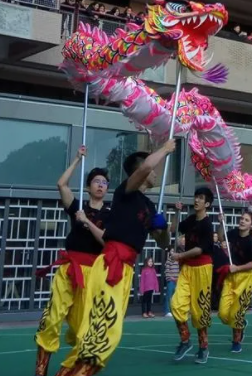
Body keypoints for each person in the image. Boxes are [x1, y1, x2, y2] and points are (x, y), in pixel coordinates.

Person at [66, 140, 175, 376]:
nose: (155, 173)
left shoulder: (148, 205)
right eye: (152, 169)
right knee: (104, 334)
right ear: (139, 172)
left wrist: (164, 227)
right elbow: (146, 168)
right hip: (110, 264)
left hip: (126, 269)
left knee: (102, 333)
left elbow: (164, 243)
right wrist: (165, 149)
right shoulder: (126, 192)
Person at [35, 146, 110, 376]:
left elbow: (107, 241)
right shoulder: (77, 206)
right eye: (96, 181)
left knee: (83, 330)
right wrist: (77, 159)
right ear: (88, 186)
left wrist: (86, 221)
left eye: (104, 182)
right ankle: (40, 370)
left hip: (93, 275)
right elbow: (61, 185)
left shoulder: (109, 213)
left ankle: (67, 372)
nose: (100, 185)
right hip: (69, 268)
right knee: (52, 317)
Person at [170, 188, 215, 364]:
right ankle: (185, 340)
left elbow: (200, 249)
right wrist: (176, 211)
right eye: (196, 197)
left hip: (202, 268)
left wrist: (180, 256)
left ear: (207, 204)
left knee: (200, 311)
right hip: (187, 268)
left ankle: (203, 347)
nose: (196, 200)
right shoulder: (189, 220)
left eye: (201, 198)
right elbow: (174, 228)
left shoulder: (207, 224)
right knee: (176, 304)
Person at [217, 211, 252, 353]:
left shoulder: (251, 243)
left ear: (251, 225)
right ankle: (241, 323)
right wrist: (220, 222)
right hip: (231, 277)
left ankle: (236, 341)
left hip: (246, 278)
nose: (242, 221)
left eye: (246, 220)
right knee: (223, 314)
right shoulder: (233, 233)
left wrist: (238, 268)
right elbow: (221, 237)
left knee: (236, 314)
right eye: (241, 218)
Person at [164, 236, 184, 317]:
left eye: (174, 251)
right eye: (171, 251)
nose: (172, 253)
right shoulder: (169, 259)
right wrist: (170, 278)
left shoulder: (178, 259)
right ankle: (167, 311)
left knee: (176, 296)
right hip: (171, 280)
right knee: (169, 295)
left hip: (177, 280)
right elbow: (167, 270)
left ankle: (174, 310)